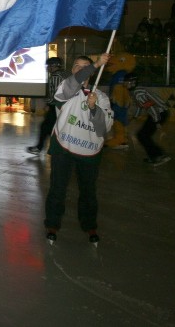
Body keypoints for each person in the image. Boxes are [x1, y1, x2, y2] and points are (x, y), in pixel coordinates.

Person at [43, 53, 113, 245]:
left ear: (93, 73)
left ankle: (90, 225)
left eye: (85, 66)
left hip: (89, 151)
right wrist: (96, 63)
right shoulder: (65, 89)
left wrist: (94, 109)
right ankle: (52, 224)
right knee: (58, 188)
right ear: (72, 70)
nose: (80, 69)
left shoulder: (102, 98)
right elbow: (73, 84)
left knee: (88, 191)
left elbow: (103, 129)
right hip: (63, 147)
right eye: (76, 65)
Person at [125, 73, 172, 166]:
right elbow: (141, 106)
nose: (125, 84)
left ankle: (159, 155)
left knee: (143, 135)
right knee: (143, 135)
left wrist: (157, 121)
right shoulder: (136, 91)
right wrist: (135, 117)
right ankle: (155, 155)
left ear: (132, 82)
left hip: (159, 114)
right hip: (158, 113)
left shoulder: (138, 93)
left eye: (126, 82)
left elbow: (152, 107)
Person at [27, 57, 68, 155]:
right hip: (62, 107)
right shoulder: (64, 74)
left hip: (56, 107)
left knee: (46, 127)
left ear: (53, 66)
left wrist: (49, 103)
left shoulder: (56, 77)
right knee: (50, 128)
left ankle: (41, 147)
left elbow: (56, 94)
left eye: (48, 65)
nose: (47, 68)